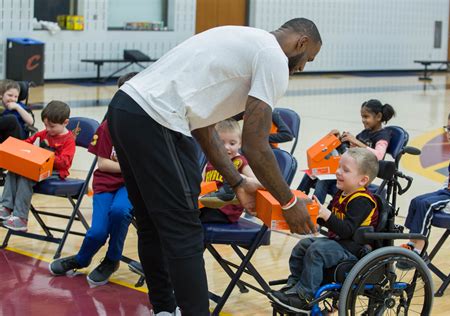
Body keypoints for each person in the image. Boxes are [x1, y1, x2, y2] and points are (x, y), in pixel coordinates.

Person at [107, 18, 322, 315]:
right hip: (157, 120)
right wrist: (288, 202)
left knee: (152, 225)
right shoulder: (272, 56)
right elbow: (256, 145)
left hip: (124, 108)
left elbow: (204, 127)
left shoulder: (241, 38)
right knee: (184, 231)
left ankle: (164, 310)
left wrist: (236, 181)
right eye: (308, 59)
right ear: (301, 42)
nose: (302, 67)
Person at [48, 73, 137, 287]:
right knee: (97, 231)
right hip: (106, 184)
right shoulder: (108, 126)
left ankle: (111, 260)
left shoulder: (149, 128)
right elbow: (104, 165)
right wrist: (132, 167)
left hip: (132, 185)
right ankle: (81, 258)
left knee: (120, 211)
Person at [268, 148, 379, 313]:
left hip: (354, 248)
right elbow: (327, 219)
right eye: (339, 167)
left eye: (345, 170)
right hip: (339, 243)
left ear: (362, 180)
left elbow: (347, 230)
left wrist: (326, 215)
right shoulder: (342, 193)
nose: (338, 172)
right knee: (303, 246)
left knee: (317, 251)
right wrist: (311, 216)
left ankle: (305, 296)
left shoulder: (363, 200)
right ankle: (294, 287)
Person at [399, 107, 450, 269]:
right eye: (449, 128)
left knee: (427, 205)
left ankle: (419, 249)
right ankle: (412, 242)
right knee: (417, 201)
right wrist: (440, 192)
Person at [298, 99, 395, 203]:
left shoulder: (383, 136)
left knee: (323, 180)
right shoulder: (365, 133)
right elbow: (350, 149)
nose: (363, 120)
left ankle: (316, 211)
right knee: (313, 172)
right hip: (349, 170)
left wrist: (356, 142)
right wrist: (338, 139)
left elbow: (379, 156)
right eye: (362, 116)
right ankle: (297, 199)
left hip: (358, 174)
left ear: (378, 117)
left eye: (366, 117)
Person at [0, 101, 75, 231]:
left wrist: (46, 154)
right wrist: (16, 148)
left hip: (55, 173)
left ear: (65, 123)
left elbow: (65, 163)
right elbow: (27, 143)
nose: (48, 129)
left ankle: (21, 219)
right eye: (46, 125)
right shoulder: (43, 134)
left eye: (52, 126)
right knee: (14, 169)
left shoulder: (68, 140)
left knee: (26, 175)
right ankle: (6, 207)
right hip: (38, 168)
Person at [201, 118, 261, 223]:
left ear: (240, 144)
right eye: (220, 143)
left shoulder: (240, 161)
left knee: (194, 221)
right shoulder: (211, 161)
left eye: (232, 143)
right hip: (207, 204)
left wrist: (241, 178)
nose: (226, 147)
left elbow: (256, 181)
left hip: (226, 211)